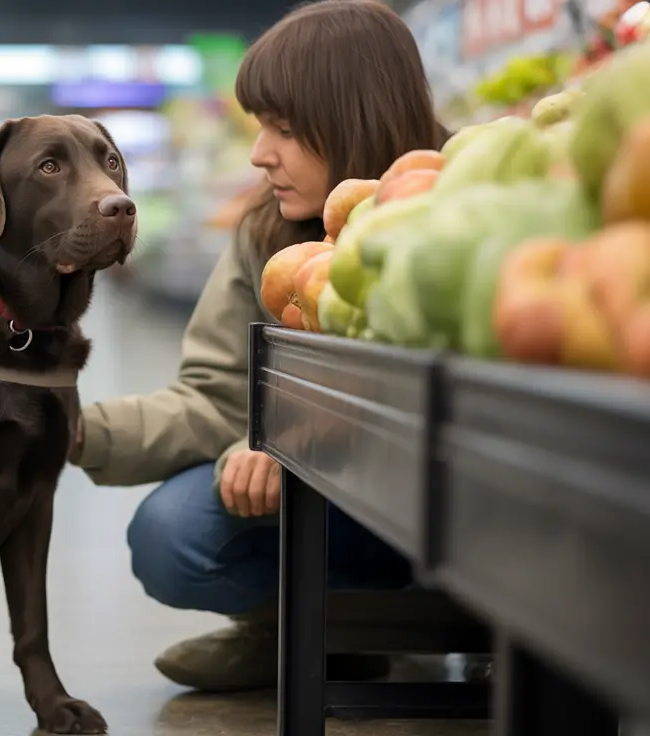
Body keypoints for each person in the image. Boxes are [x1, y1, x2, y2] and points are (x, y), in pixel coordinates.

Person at [70, 0, 448, 693]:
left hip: (449, 501)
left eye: (283, 128)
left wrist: (295, 441)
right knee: (171, 536)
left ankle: (311, 633)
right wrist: (75, 432)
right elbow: (215, 396)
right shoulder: (266, 235)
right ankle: (319, 633)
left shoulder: (457, 204)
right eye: (258, 127)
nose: (258, 152)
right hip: (344, 514)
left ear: (351, 118)